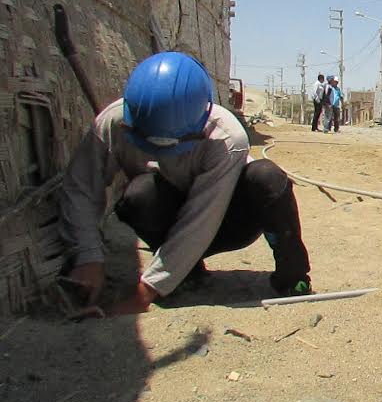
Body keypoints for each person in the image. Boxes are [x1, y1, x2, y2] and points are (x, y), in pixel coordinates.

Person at [58, 51, 313, 316]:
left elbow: (201, 221)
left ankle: (293, 278)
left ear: (200, 126)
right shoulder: (114, 122)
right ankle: (186, 275)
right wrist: (87, 257)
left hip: (224, 219)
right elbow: (81, 188)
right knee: (139, 195)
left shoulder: (225, 138)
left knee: (267, 177)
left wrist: (145, 291)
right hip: (169, 218)